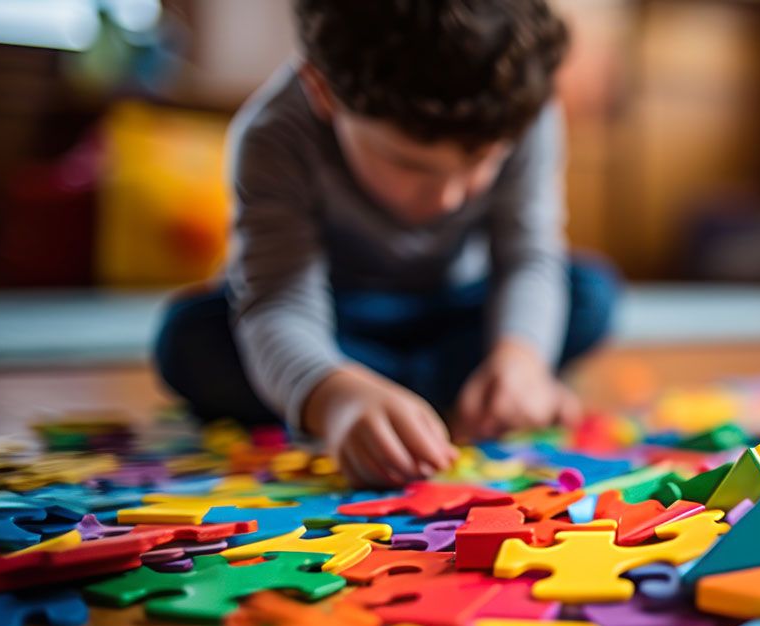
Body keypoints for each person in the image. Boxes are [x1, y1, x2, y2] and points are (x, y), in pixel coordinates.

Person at [153, 0, 616, 488]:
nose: (449, 196)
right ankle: (417, 399)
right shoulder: (274, 134)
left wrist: (521, 359)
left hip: (456, 309)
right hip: (338, 321)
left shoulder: (522, 106)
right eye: (412, 166)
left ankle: (447, 396)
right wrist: (333, 394)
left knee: (588, 294)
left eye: (483, 159)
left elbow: (528, 257)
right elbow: (279, 302)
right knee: (192, 338)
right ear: (323, 91)